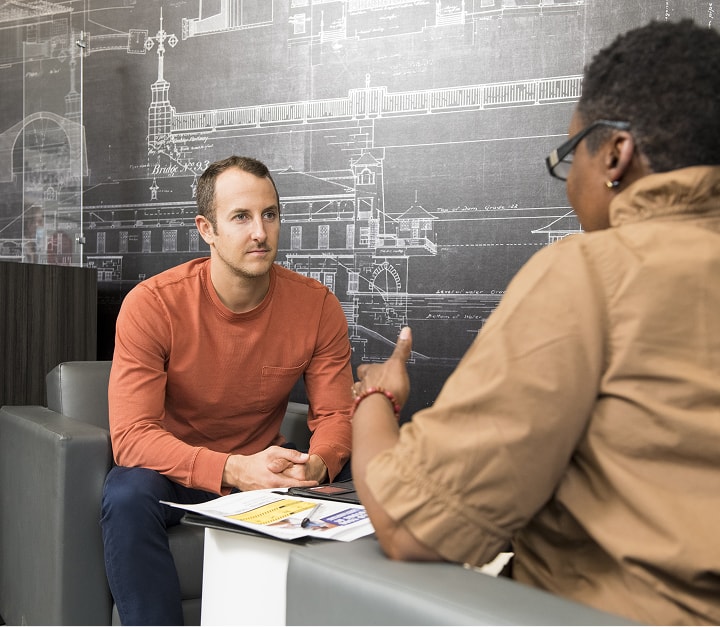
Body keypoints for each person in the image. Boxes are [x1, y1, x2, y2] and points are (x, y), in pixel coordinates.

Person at [350, 19, 720, 626]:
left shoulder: (590, 273)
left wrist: (375, 396)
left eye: (569, 156)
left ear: (615, 154)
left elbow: (410, 527)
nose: (568, 183)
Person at [101, 155, 354, 625]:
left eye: (270, 214)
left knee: (365, 463)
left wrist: (317, 463)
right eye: (241, 217)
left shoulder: (317, 306)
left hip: (267, 468)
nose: (260, 232)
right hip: (177, 471)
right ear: (207, 229)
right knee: (126, 493)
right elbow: (132, 437)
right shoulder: (153, 304)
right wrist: (235, 469)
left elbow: (336, 416)